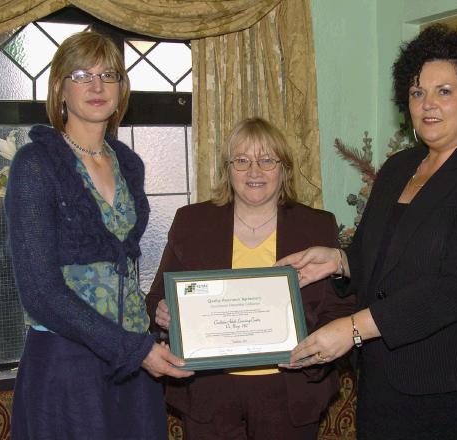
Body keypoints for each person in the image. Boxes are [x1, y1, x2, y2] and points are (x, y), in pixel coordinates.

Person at [276, 24, 457, 439]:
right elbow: (380, 262)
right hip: (385, 380)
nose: (428, 104)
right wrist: (339, 261)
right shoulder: (398, 169)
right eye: (417, 93)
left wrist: (354, 327)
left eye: (444, 91)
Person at [5, 31, 192, 440]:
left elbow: (122, 271)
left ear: (121, 89)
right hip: (67, 364)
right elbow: (39, 291)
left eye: (109, 75)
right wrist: (136, 349)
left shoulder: (129, 165)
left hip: (132, 367)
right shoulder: (35, 164)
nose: (96, 85)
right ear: (59, 88)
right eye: (81, 74)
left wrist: (159, 319)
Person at [146, 117, 356, 439]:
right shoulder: (192, 221)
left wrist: (315, 352)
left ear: (283, 168)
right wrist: (162, 312)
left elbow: (337, 307)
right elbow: (155, 298)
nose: (254, 171)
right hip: (209, 392)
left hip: (289, 390)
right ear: (227, 169)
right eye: (241, 160)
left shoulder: (316, 226)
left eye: (266, 160)